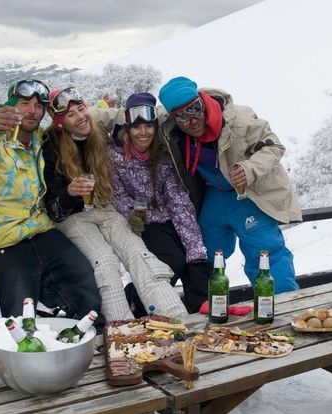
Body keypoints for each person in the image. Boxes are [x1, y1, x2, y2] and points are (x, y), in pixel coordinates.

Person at [0, 79, 104, 324]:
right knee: (19, 313)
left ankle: (91, 338)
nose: (32, 111)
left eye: (38, 106)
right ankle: (22, 348)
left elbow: (78, 130)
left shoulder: (41, 142)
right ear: (11, 106)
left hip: (41, 230)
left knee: (83, 280)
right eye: (25, 103)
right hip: (2, 238)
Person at [43, 86, 188, 321]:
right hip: (74, 217)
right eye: (71, 114)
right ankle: (122, 328)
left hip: (105, 207)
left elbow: (128, 115)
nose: (80, 117)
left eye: (81, 109)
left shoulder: (99, 134)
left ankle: (175, 317)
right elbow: (53, 209)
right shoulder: (50, 147)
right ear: (60, 123)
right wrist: (69, 192)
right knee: (105, 262)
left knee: (138, 254)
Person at [157, 76, 301, 293]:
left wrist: (249, 169)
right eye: (182, 116)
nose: (192, 120)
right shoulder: (170, 130)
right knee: (203, 252)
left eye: (195, 109)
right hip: (216, 193)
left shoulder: (239, 120)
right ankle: (208, 304)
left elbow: (274, 147)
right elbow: (135, 119)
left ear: (202, 101)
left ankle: (284, 302)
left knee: (264, 252)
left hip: (248, 192)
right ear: (173, 117)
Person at [109, 92, 211, 313]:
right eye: (137, 127)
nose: (143, 133)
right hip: (141, 222)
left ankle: (198, 309)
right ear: (128, 128)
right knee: (171, 261)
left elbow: (178, 201)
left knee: (195, 261)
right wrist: (132, 214)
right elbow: (118, 194)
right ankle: (138, 302)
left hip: (166, 218)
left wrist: (196, 252)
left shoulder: (163, 156)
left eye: (148, 126)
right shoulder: (115, 156)